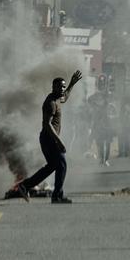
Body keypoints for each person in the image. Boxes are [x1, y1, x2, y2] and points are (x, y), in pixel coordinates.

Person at [17, 70, 83, 204]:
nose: (62, 89)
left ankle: (25, 185)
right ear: (53, 87)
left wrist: (72, 83)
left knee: (53, 166)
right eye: (59, 86)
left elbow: (65, 97)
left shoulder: (58, 98)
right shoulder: (51, 102)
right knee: (62, 165)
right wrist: (59, 141)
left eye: (63, 86)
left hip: (50, 139)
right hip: (49, 139)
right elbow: (47, 124)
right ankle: (57, 196)